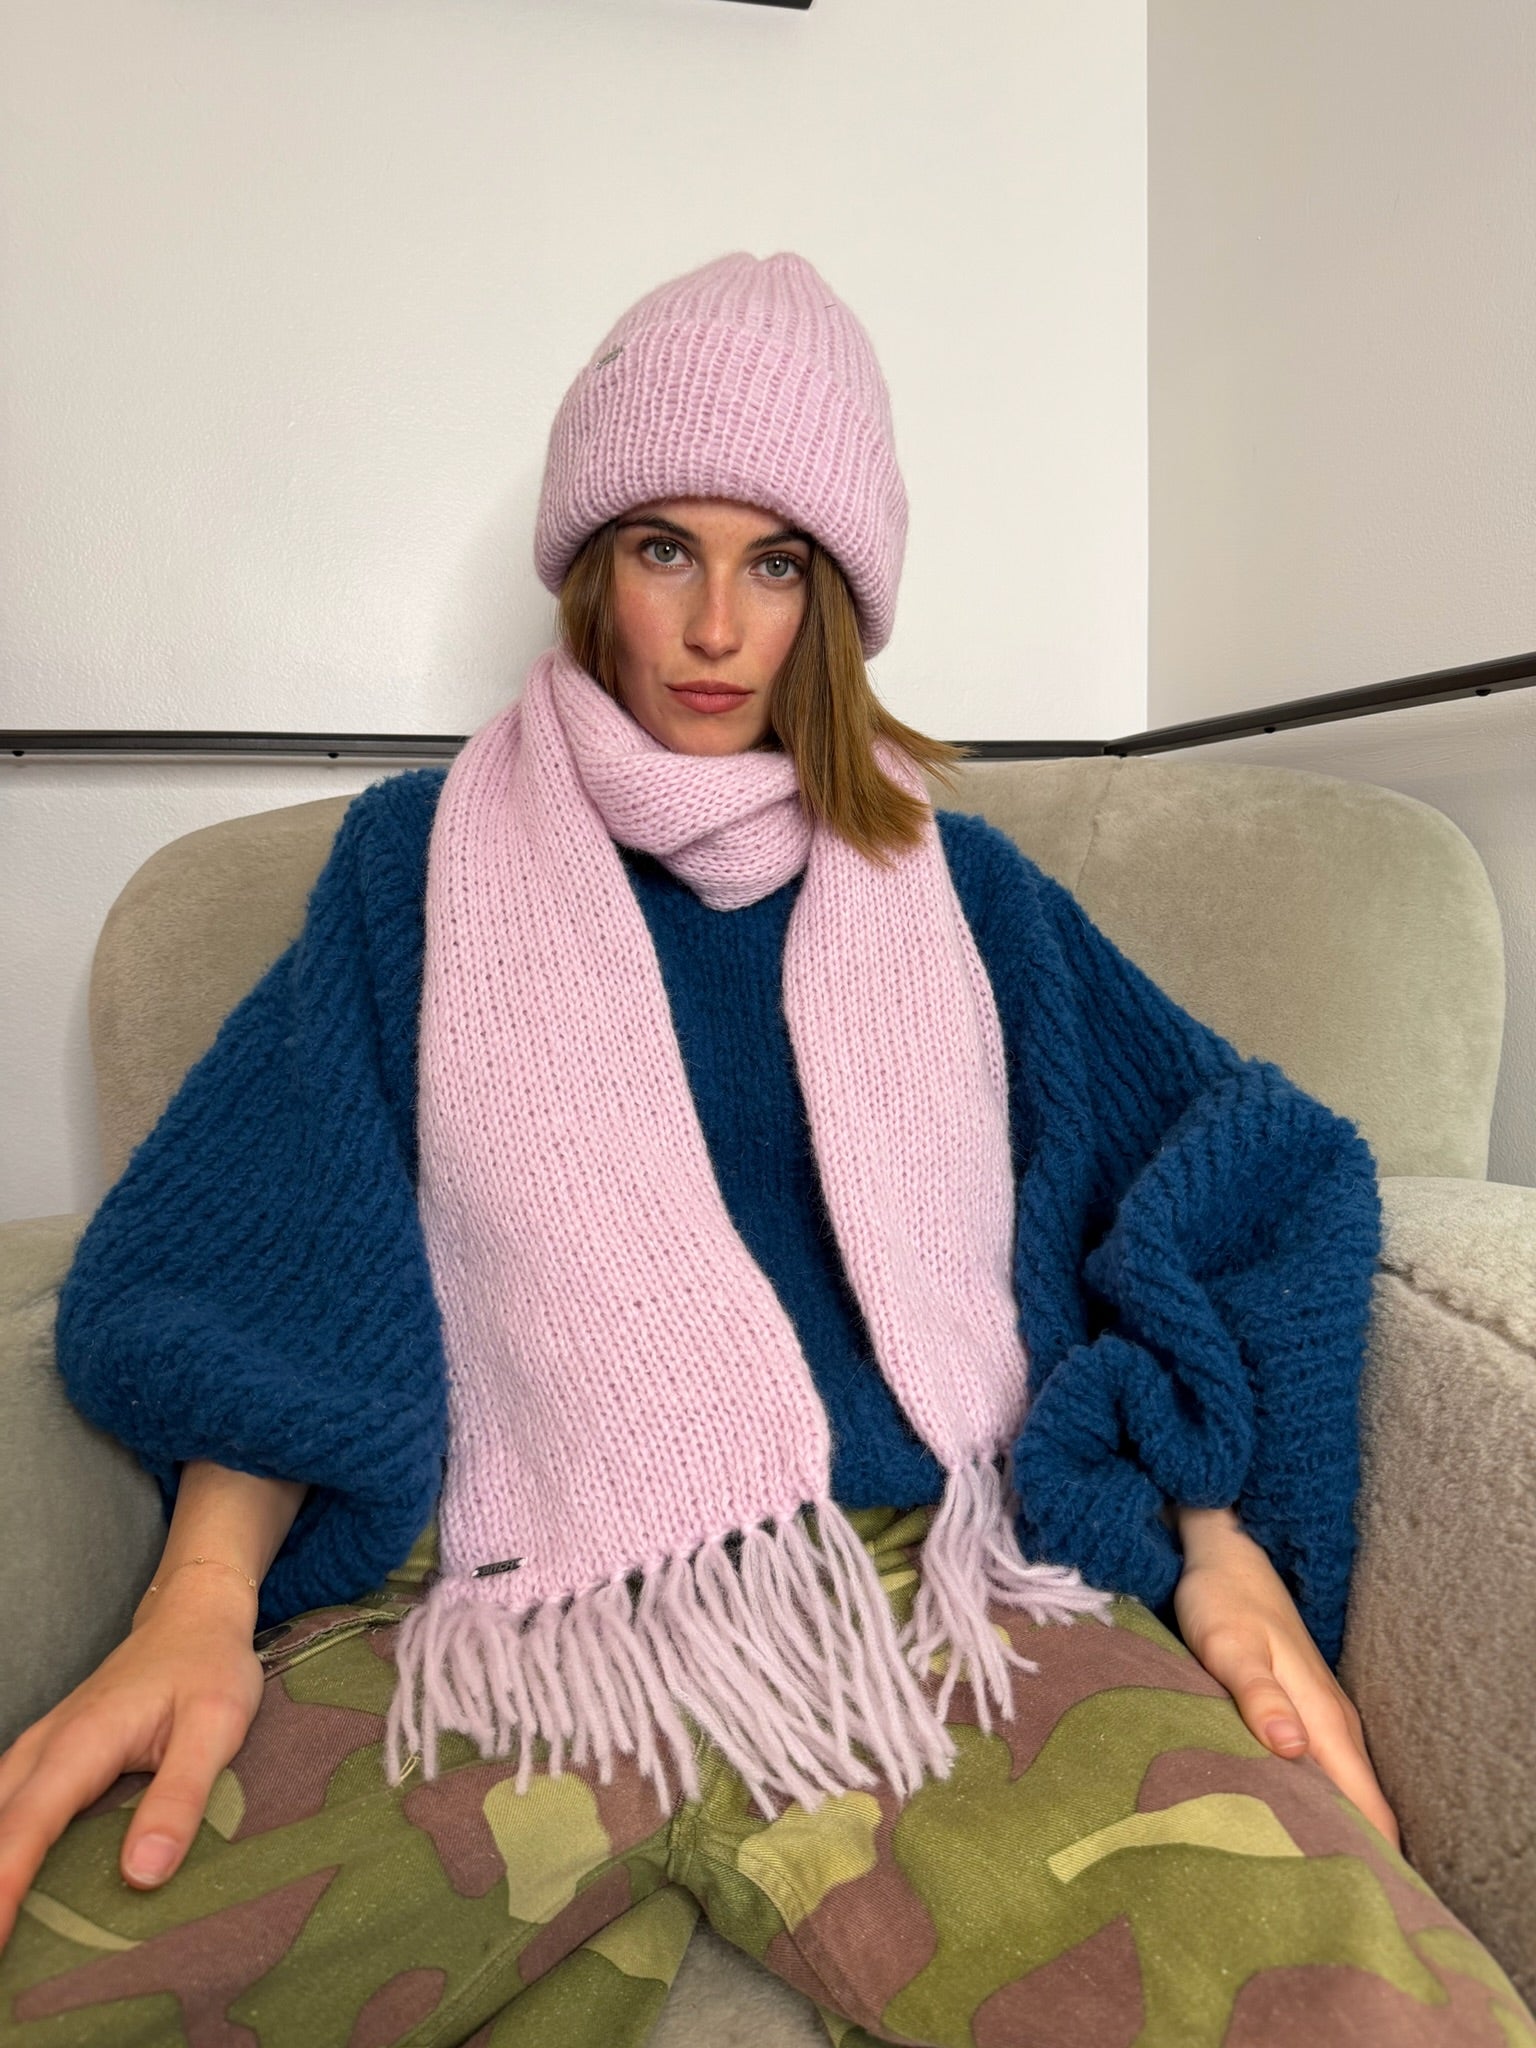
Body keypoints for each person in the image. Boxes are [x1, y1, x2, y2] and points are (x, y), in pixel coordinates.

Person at [0, 251, 1530, 2048]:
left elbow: (1230, 1172)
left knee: (1379, 2018)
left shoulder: (969, 898)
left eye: (778, 562)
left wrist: (1218, 1539)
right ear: (595, 568)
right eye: (668, 549)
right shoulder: (414, 871)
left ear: (839, 598)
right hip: (498, 1598)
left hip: (930, 1588)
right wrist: (195, 1602)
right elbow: (276, 1240)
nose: (718, 627)